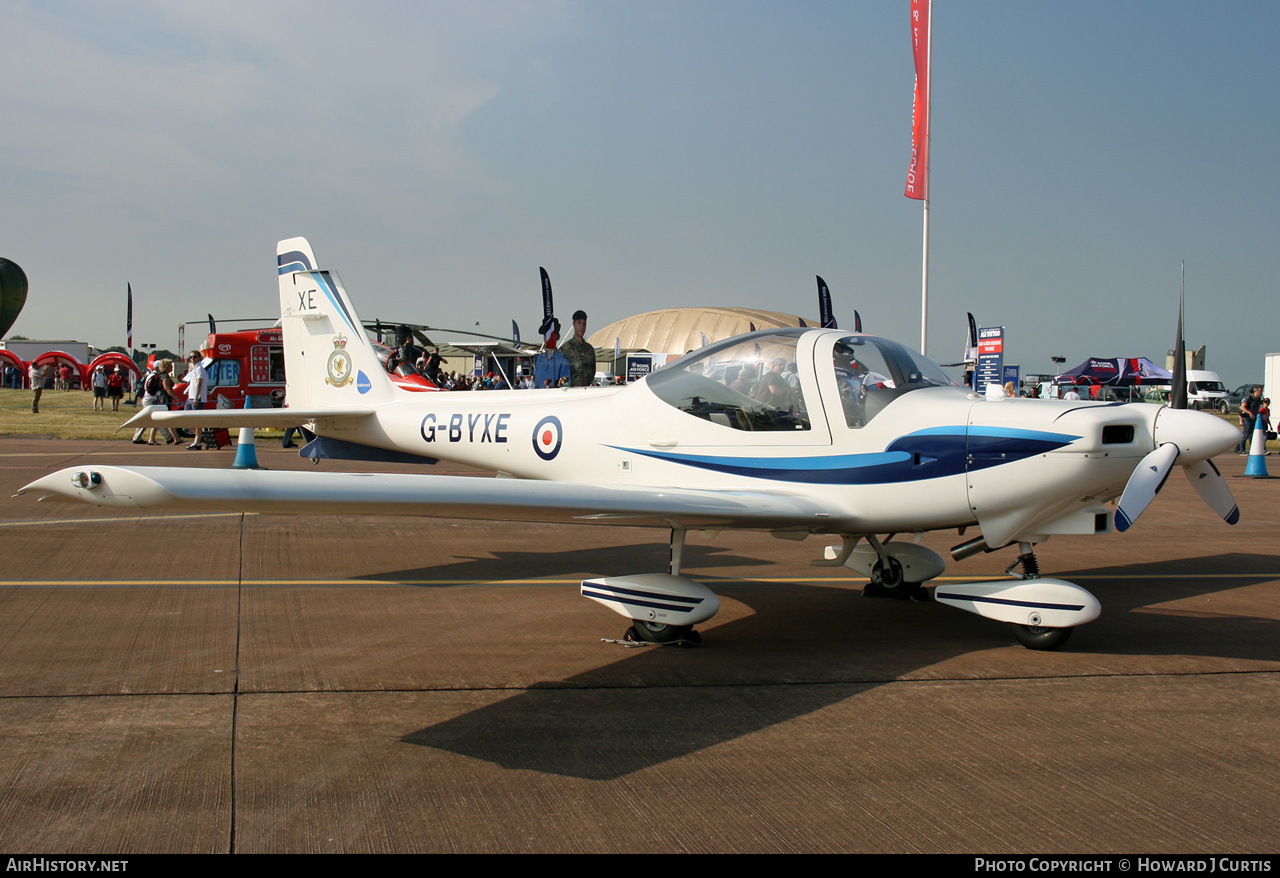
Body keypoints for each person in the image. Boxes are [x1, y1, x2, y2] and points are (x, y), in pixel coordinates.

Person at [561, 310, 596, 387]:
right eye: (579, 323)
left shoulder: (589, 349)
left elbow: (592, 372)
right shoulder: (565, 349)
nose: (582, 327)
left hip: (587, 392)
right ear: (574, 324)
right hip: (572, 393)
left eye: (584, 323)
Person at [183, 351, 209, 450]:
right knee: (186, 420)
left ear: (199, 358)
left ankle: (197, 442)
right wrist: (187, 391)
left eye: (194, 357)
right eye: (190, 357)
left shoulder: (200, 369)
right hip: (190, 397)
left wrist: (196, 397)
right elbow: (192, 383)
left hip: (197, 398)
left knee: (196, 420)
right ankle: (199, 436)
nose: (192, 359)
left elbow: (199, 383)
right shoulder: (194, 369)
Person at [1240, 386, 1262, 454]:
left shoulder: (1258, 399)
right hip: (1247, 418)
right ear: (1256, 391)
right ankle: (1242, 449)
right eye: (1260, 391)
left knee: (1252, 434)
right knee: (1246, 433)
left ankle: (1253, 449)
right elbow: (1242, 407)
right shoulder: (1249, 398)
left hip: (1254, 418)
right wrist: (1250, 413)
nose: (1261, 392)